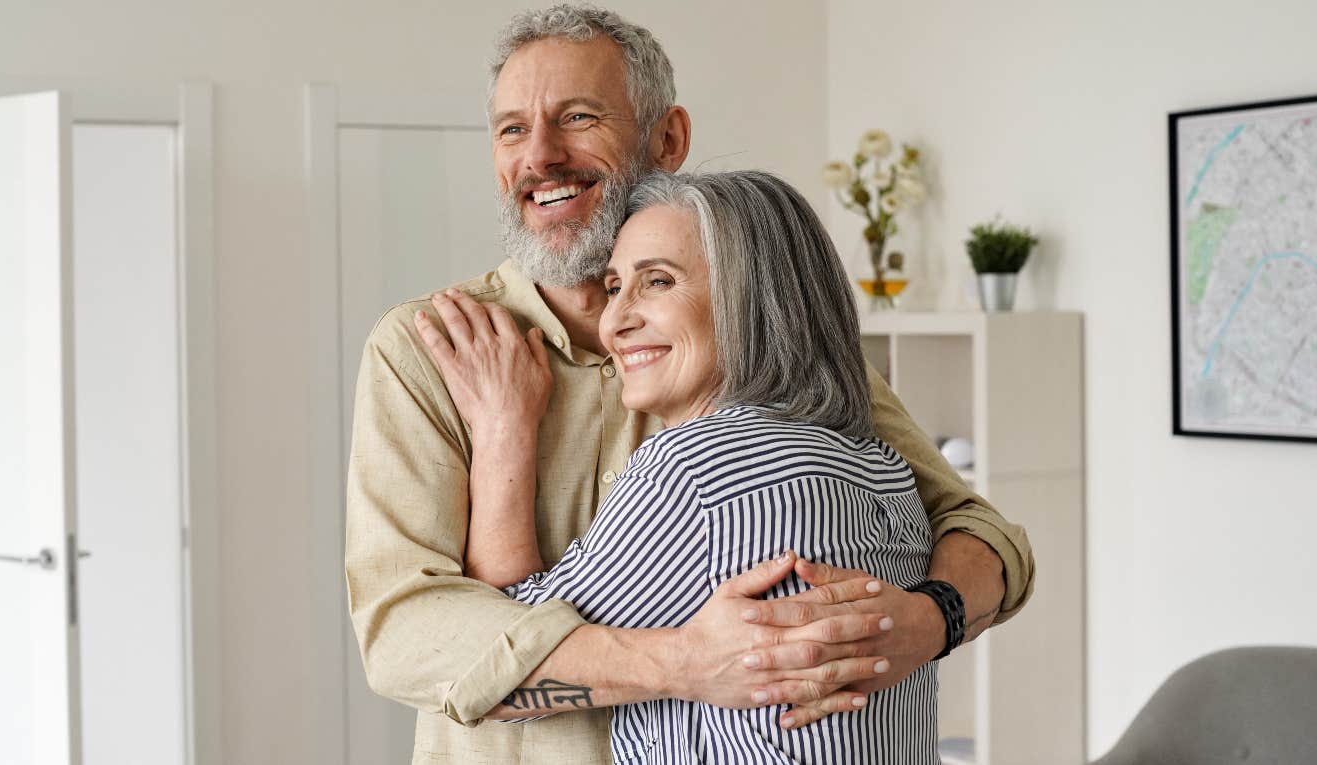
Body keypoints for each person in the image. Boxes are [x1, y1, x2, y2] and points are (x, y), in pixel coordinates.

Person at [345, 5, 1034, 763]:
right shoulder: (426, 350)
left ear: (667, 139)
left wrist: (927, 621)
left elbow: (983, 533)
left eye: (578, 117)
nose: (540, 156)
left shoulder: (767, 347)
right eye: (511, 129)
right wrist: (682, 662)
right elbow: (405, 635)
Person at [417, 169, 941, 764]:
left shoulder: (697, 467)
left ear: (755, 299)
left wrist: (502, 428)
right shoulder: (884, 467)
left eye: (658, 282)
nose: (616, 322)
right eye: (615, 288)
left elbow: (508, 655)